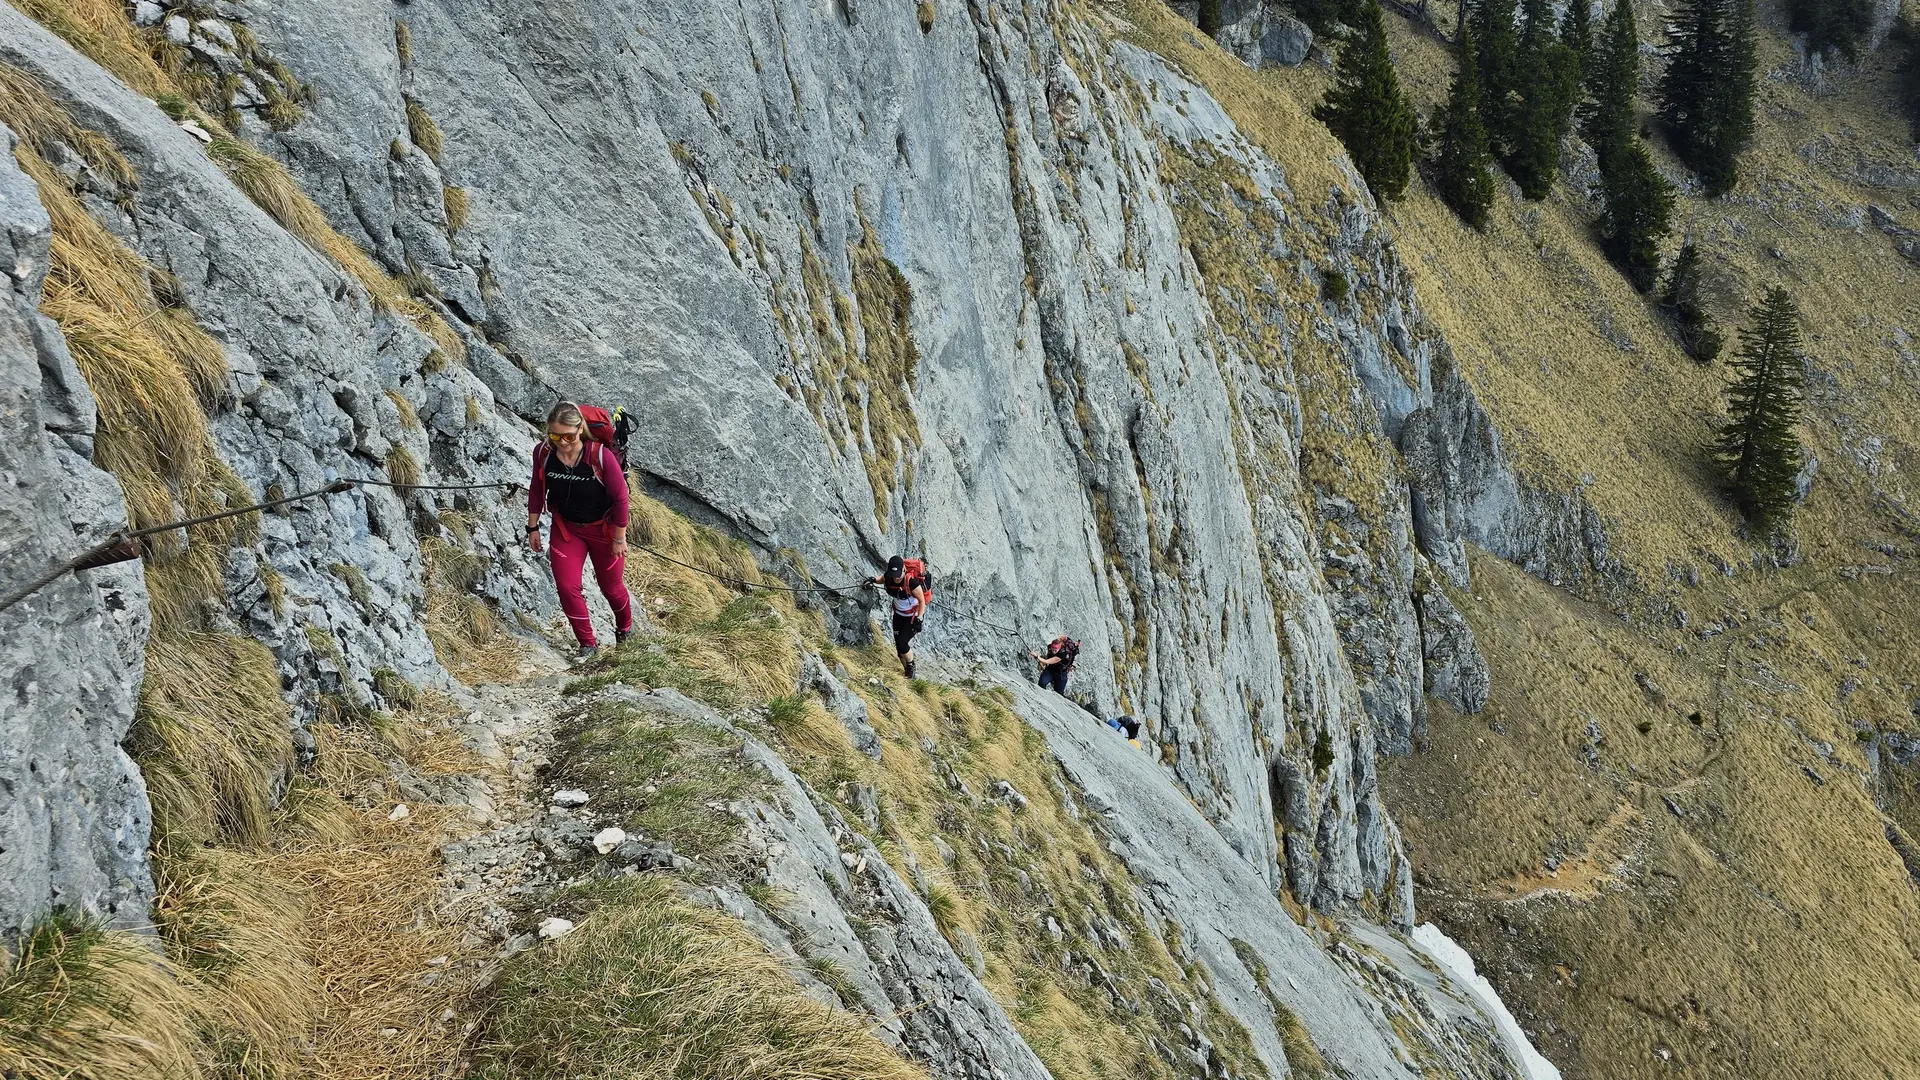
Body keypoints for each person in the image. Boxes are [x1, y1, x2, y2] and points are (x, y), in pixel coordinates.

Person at [526, 402, 633, 657]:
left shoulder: (599, 455)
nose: (562, 442)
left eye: (569, 436)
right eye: (555, 436)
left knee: (612, 588)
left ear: (580, 430)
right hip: (567, 529)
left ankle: (625, 631)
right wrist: (532, 527)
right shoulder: (543, 453)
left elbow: (621, 499)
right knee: (567, 587)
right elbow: (535, 489)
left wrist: (619, 537)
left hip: (603, 532)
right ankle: (587, 645)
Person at [868, 555, 928, 676]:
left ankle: (911, 666)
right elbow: (881, 579)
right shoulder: (889, 577)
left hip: (912, 617)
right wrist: (872, 580)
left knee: (902, 643)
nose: (895, 579)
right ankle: (907, 673)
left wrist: (919, 619)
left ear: (904, 570)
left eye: (898, 575)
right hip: (898, 615)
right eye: (893, 575)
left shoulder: (911, 582)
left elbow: (922, 601)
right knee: (899, 650)